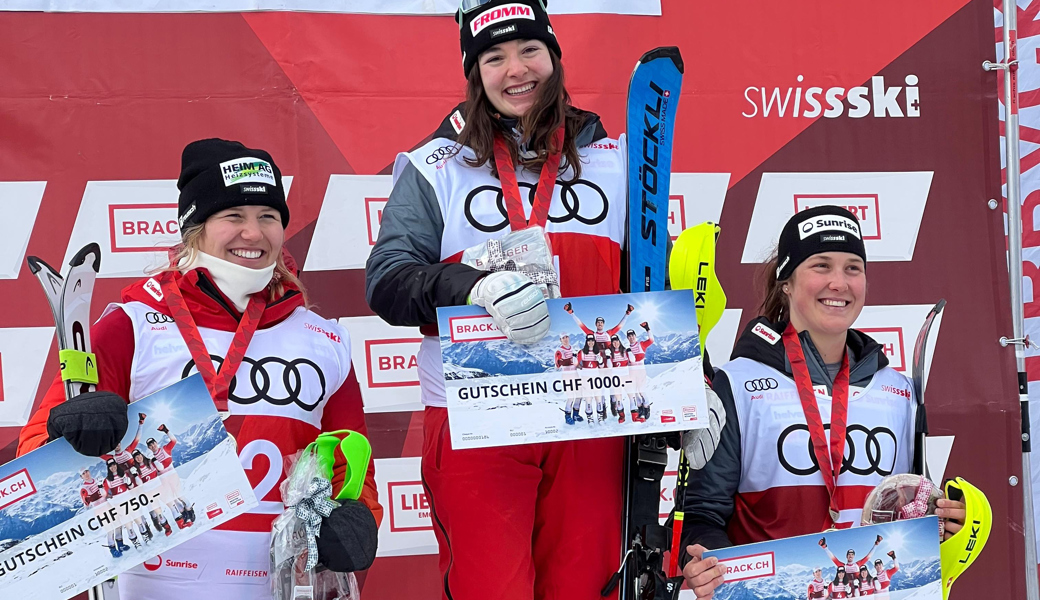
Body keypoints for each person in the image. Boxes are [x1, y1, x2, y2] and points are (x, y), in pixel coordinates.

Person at [364, 1, 720, 596]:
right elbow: (388, 279)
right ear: (474, 74)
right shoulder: (436, 169)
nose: (515, 70)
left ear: (554, 57)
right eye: (494, 57)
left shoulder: (619, 162)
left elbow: (654, 287)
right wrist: (471, 285)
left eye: (529, 50)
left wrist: (691, 382)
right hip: (480, 419)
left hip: (596, 415)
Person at [19, 139, 381, 600]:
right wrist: (66, 434)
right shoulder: (132, 325)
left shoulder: (323, 338)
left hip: (275, 581)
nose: (253, 233)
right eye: (233, 216)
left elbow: (353, 459)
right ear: (195, 227)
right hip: (151, 579)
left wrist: (356, 517)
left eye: (267, 217)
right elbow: (37, 459)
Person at [679, 206, 967, 598]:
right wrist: (707, 568)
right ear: (786, 282)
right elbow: (702, 515)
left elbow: (909, 511)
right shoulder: (738, 382)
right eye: (821, 266)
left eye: (853, 268)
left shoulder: (897, 390)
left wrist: (946, 523)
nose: (839, 282)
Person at [626, 322, 653, 421]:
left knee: (641, 390)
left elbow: (651, 340)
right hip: (632, 372)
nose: (631, 337)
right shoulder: (627, 349)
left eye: (632, 335)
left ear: (635, 336)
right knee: (635, 392)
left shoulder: (641, 344)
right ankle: (640, 408)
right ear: (627, 338)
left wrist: (647, 329)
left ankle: (647, 407)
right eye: (629, 336)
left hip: (641, 370)